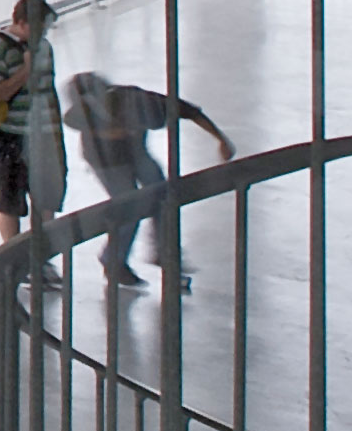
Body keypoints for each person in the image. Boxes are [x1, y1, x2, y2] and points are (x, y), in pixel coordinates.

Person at [59, 72, 233, 291]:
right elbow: (71, 120)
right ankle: (113, 260)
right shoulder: (83, 113)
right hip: (105, 161)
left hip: (136, 153)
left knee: (162, 192)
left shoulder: (145, 103)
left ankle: (164, 254)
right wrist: (109, 131)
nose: (120, 130)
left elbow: (191, 112)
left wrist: (221, 139)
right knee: (129, 204)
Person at [0, 0, 60, 247]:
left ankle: (41, 255)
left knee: (46, 196)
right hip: (9, 136)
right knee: (9, 197)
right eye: (40, 26)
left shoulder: (43, 47)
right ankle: (13, 255)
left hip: (44, 134)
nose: (44, 33)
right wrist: (25, 72)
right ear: (21, 23)